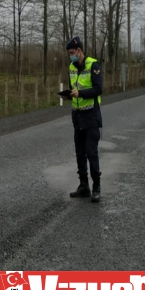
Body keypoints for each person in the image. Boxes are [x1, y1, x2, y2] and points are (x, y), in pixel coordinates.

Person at [65, 36, 103, 203]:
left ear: (79, 50)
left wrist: (80, 94)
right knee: (79, 152)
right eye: (69, 54)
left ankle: (96, 187)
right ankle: (84, 186)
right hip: (77, 115)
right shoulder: (71, 67)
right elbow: (73, 88)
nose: (71, 56)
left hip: (91, 115)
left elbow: (98, 89)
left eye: (72, 53)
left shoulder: (93, 65)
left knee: (91, 153)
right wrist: (69, 95)